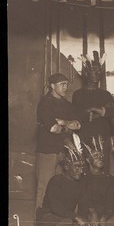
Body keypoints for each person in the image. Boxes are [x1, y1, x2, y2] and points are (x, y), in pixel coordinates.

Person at [35, 73, 81, 213]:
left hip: (64, 151)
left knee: (64, 185)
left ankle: (63, 218)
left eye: (66, 84)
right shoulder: (45, 103)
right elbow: (53, 128)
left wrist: (61, 122)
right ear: (52, 86)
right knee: (45, 186)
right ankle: (40, 219)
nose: (65, 87)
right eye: (62, 84)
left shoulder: (67, 104)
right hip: (48, 150)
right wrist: (67, 125)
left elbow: (78, 125)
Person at [72, 51, 114, 175]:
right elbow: (78, 116)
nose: (97, 74)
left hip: (104, 140)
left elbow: (113, 112)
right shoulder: (78, 94)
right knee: (86, 174)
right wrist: (102, 111)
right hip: (85, 141)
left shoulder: (105, 94)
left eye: (98, 71)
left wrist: (94, 109)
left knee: (104, 173)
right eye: (93, 71)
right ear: (86, 73)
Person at [35, 134, 89, 226]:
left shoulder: (81, 182)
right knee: (68, 222)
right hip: (47, 218)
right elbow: (56, 208)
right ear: (67, 167)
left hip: (65, 220)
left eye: (82, 167)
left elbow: (83, 204)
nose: (81, 170)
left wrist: (85, 219)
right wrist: (76, 217)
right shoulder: (55, 181)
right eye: (77, 167)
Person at [77, 136, 114, 226]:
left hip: (104, 214)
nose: (100, 158)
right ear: (88, 160)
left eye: (101, 156)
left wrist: (104, 217)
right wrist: (93, 213)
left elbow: (111, 202)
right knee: (82, 217)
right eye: (96, 156)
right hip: (88, 212)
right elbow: (83, 199)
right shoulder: (83, 178)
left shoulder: (109, 179)